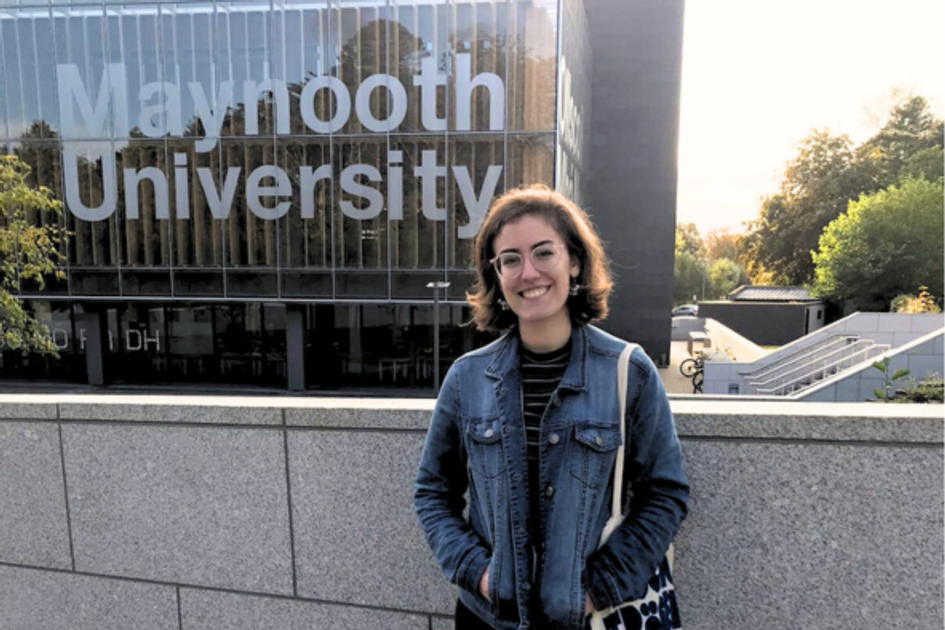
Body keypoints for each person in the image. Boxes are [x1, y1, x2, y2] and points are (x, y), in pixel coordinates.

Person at [414, 185, 689, 630]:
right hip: (487, 618)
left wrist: (595, 590)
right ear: (498, 276)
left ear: (574, 262)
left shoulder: (628, 372)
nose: (529, 272)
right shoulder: (467, 380)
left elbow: (665, 494)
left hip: (589, 619)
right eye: (510, 259)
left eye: (544, 253)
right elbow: (432, 492)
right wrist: (480, 575)